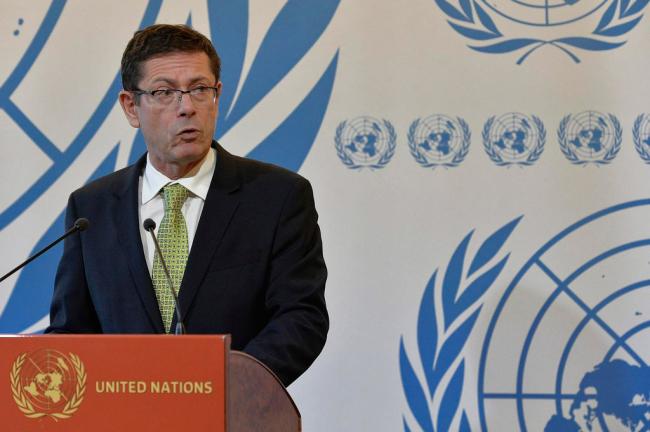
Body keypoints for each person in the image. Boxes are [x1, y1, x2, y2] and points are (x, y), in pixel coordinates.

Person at [46, 24, 328, 386]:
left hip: (234, 407)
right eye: (164, 92)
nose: (187, 108)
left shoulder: (277, 197)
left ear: (217, 96)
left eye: (199, 89)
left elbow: (301, 317)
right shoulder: (92, 209)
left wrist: (219, 385)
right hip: (123, 408)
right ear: (131, 107)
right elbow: (71, 331)